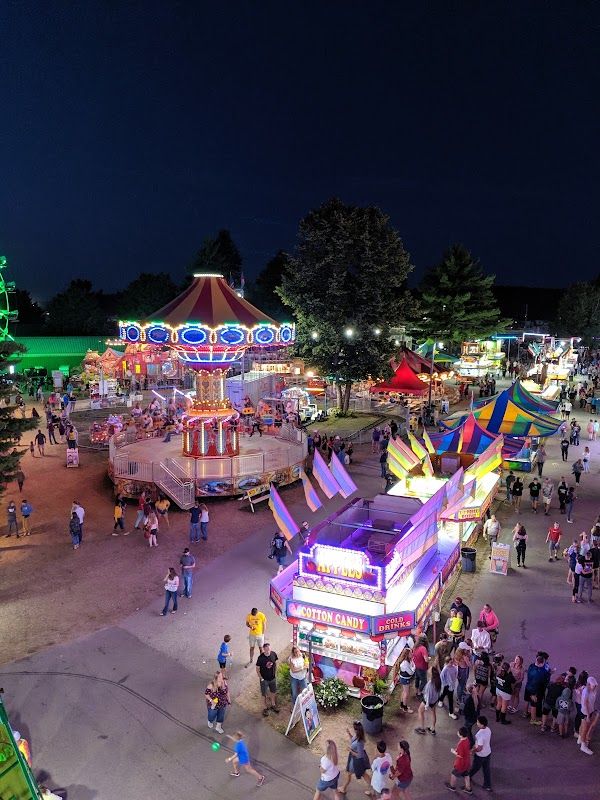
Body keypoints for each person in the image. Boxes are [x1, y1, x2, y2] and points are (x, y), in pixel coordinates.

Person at [340, 721, 371, 793]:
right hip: (354, 759)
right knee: (363, 774)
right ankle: (372, 788)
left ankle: (343, 788)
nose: (353, 729)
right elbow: (353, 740)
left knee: (349, 774)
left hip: (357, 761)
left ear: (357, 730)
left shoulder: (360, 742)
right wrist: (349, 734)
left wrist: (350, 750)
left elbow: (359, 755)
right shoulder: (358, 736)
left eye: (354, 728)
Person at [444, 727, 472, 794]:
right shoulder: (467, 740)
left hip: (460, 763)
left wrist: (453, 751)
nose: (457, 732)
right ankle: (468, 788)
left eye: (458, 732)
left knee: (454, 774)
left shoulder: (461, 744)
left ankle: (452, 786)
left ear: (461, 735)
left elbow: (460, 755)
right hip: (467, 761)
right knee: (466, 774)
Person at [523, 654, 550, 725]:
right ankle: (533, 719)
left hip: (528, 686)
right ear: (541, 663)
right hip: (534, 691)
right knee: (533, 705)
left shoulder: (531, 666)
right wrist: (533, 694)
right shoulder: (541, 672)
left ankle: (525, 713)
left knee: (526, 700)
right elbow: (543, 680)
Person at [414, 665, 442, 734]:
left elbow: (428, 695)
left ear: (431, 674)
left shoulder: (430, 684)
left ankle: (422, 728)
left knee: (420, 711)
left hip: (428, 701)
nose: (428, 670)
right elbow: (438, 692)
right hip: (434, 700)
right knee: (433, 713)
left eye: (430, 669)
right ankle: (433, 729)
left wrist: (426, 705)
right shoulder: (438, 680)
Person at [468, 716, 492, 792]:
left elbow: (479, 748)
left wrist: (472, 751)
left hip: (481, 755)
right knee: (486, 769)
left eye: (478, 722)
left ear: (482, 725)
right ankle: (487, 785)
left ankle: (468, 777)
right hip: (488, 753)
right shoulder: (488, 729)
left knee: (475, 767)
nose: (477, 723)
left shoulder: (480, 735)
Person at [256, 643, 279, 716]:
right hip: (264, 680)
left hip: (272, 678)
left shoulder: (273, 654)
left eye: (269, 649)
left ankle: (273, 704)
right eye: (266, 650)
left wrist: (275, 672)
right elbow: (257, 669)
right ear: (264, 650)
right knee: (264, 694)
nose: (268, 651)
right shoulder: (260, 658)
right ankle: (265, 708)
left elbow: (275, 663)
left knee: (273, 691)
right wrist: (261, 678)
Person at [578, 676, 598, 755]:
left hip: (588, 711)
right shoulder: (586, 691)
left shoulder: (589, 690)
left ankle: (580, 739)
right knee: (585, 729)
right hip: (586, 713)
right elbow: (585, 704)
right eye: (593, 685)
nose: (594, 687)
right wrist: (588, 716)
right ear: (589, 684)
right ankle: (583, 745)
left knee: (583, 726)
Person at [205, 670, 230, 734]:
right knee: (211, 716)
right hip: (214, 705)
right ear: (216, 678)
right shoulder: (211, 685)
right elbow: (206, 694)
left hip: (223, 703)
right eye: (220, 676)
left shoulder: (224, 682)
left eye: (222, 676)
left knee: (221, 716)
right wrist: (211, 700)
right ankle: (210, 721)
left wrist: (229, 700)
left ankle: (218, 727)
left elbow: (227, 691)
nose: (222, 677)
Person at [398, 646, 415, 713]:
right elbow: (411, 672)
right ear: (407, 654)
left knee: (404, 692)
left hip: (404, 678)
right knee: (406, 693)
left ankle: (402, 705)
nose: (412, 654)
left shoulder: (407, 661)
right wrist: (414, 667)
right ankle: (405, 708)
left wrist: (412, 663)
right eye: (410, 653)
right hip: (405, 679)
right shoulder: (405, 663)